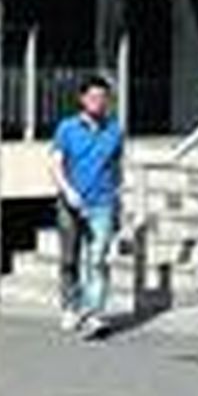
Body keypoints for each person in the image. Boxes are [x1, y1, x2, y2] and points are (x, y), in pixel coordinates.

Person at [49, 75, 124, 337]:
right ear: (82, 99)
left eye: (103, 97)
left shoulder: (115, 130)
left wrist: (117, 201)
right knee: (69, 259)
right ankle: (71, 306)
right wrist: (67, 191)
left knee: (98, 260)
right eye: (93, 97)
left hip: (102, 203)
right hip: (70, 202)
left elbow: (116, 168)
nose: (98, 102)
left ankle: (94, 314)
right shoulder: (67, 128)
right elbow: (56, 163)